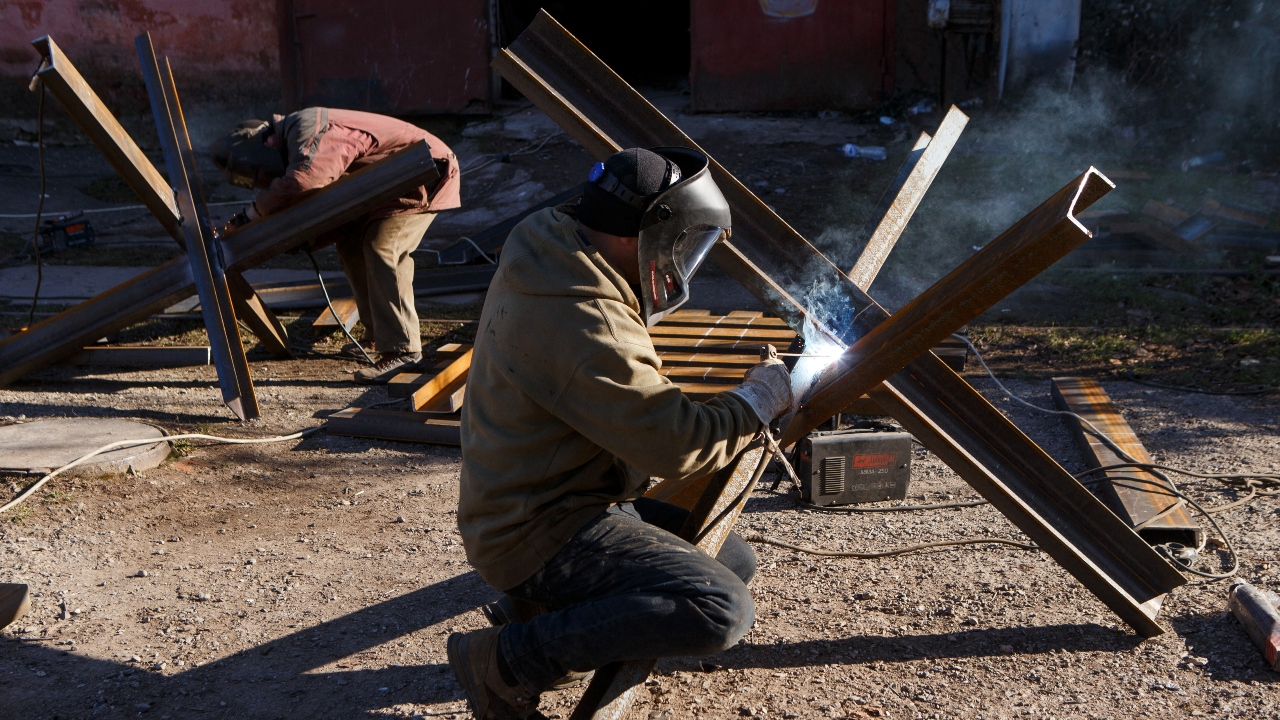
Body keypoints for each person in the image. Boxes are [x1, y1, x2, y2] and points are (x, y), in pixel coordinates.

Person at [449, 147, 794, 719]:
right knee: (719, 608)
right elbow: (678, 445)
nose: (681, 261)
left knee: (729, 556)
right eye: (682, 243)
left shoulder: (552, 242)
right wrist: (755, 402)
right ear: (643, 235)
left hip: (559, 496)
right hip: (536, 529)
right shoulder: (584, 320)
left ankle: (539, 614)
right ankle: (507, 660)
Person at [210, 108, 460, 384]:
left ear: (266, 142)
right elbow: (333, 203)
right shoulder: (298, 143)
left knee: (383, 247)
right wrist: (305, 239)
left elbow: (305, 180)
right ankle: (377, 336)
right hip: (384, 188)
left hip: (423, 173)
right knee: (351, 248)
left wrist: (252, 214)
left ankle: (403, 350)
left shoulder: (308, 129)